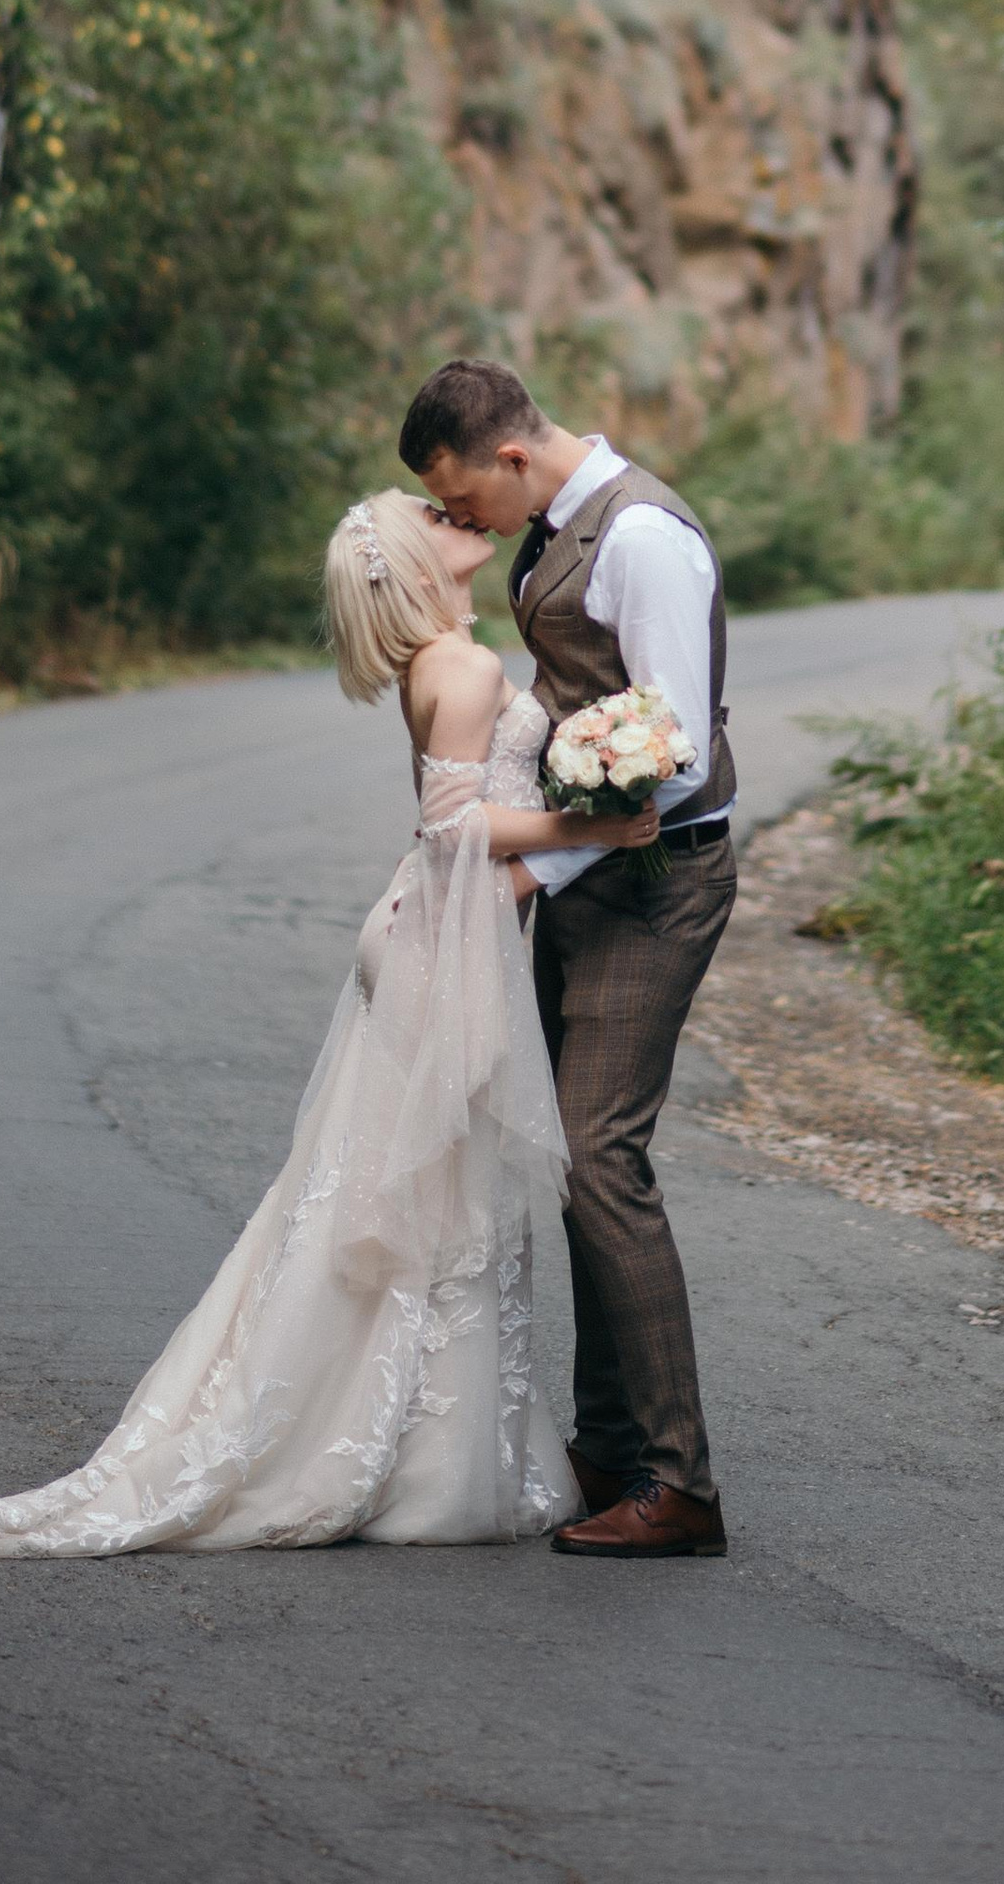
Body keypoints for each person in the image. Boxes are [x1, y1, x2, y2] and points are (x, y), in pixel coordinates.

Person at [0, 491, 658, 1558]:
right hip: (435, 937)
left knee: (401, 1193)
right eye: (431, 511)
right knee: (423, 1201)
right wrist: (599, 822)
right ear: (414, 563)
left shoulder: (443, 661)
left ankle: (430, 1445)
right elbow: (451, 830)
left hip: (429, 932)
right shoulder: (463, 669)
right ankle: (406, 1462)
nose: (454, 510)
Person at [401, 357, 736, 1561]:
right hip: (592, 879)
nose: (463, 526)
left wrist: (536, 868)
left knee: (602, 1157)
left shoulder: (641, 537)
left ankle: (681, 1484)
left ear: (509, 456)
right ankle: (608, 1445)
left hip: (654, 881)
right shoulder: (553, 531)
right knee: (569, 1154)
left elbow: (676, 754)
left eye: (464, 499)